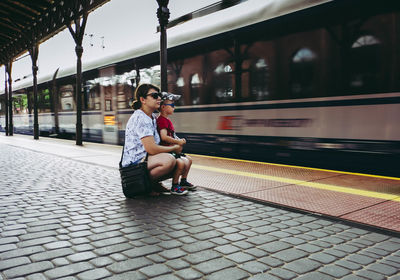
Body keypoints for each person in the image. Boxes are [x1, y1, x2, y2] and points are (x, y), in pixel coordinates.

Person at [121, 84, 188, 196]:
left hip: (146, 160)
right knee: (169, 160)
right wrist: (174, 148)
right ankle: (147, 186)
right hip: (135, 165)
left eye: (159, 96)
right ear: (143, 100)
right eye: (154, 96)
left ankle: (153, 183)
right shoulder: (140, 117)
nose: (159, 99)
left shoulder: (151, 117)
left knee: (182, 162)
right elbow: (151, 148)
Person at [157, 92, 197, 192]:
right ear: (163, 107)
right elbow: (164, 137)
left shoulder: (167, 120)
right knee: (180, 163)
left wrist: (179, 140)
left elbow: (171, 135)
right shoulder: (162, 120)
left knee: (189, 160)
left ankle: (183, 181)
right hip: (166, 151)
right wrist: (177, 142)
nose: (174, 107)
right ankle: (175, 185)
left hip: (172, 150)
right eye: (172, 105)